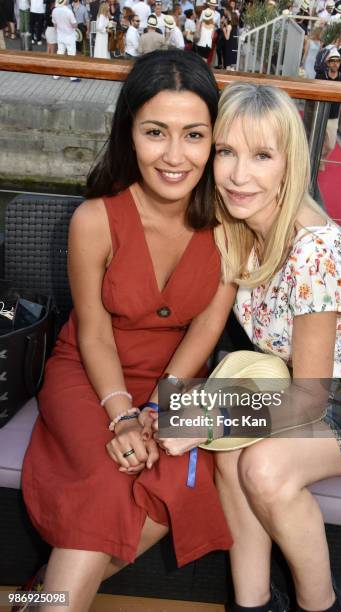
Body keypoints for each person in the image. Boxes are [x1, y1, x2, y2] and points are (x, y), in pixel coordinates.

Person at [177, 80, 341, 612]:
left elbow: (310, 398)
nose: (238, 175)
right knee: (231, 459)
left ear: (289, 163)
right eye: (226, 152)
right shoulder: (236, 229)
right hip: (300, 392)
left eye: (261, 155)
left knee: (261, 467)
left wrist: (203, 417)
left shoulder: (314, 251)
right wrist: (164, 407)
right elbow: (208, 325)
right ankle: (253, 603)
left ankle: (321, 605)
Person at [21, 49, 234, 612]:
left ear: (214, 139)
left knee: (169, 488)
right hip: (90, 375)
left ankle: (40, 593)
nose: (174, 155)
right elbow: (91, 332)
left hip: (179, 379)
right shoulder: (94, 219)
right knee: (107, 481)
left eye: (194, 135)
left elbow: (206, 329)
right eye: (155, 132)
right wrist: (121, 413)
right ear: (128, 133)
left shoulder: (232, 227)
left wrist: (161, 408)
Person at [315, 48, 341, 170]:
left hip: (333, 116)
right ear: (328, 63)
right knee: (314, 141)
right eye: (333, 61)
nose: (335, 63)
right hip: (318, 114)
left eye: (337, 61)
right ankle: (313, 161)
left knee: (330, 145)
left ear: (340, 63)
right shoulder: (320, 76)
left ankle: (321, 159)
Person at [52, 0, 80, 82]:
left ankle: (56, 74)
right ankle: (72, 76)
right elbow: (74, 24)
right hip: (69, 36)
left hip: (60, 35)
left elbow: (55, 24)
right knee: (71, 55)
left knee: (60, 54)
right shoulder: (68, 12)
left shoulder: (54, 10)